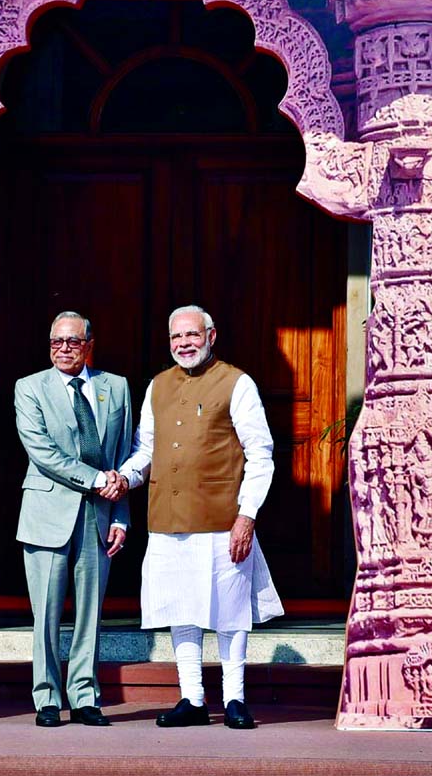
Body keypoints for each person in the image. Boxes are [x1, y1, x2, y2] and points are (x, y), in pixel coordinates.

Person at [120, 305, 283, 729]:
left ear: (212, 335)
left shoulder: (236, 382)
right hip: (168, 519)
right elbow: (146, 452)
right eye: (176, 338)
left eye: (192, 335)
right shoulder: (157, 386)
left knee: (230, 613)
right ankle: (192, 698)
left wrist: (246, 516)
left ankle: (234, 699)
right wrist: (124, 478)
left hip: (221, 521)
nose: (184, 344)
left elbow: (260, 454)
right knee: (181, 611)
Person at [15, 311, 132, 727]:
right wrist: (97, 479)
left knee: (90, 614)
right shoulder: (30, 388)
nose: (63, 349)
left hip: (98, 517)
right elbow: (42, 452)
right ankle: (46, 698)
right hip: (48, 514)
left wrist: (121, 514)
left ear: (89, 345)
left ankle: (85, 697)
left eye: (72, 342)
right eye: (56, 342)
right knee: (45, 614)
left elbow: (121, 457)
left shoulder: (115, 387)